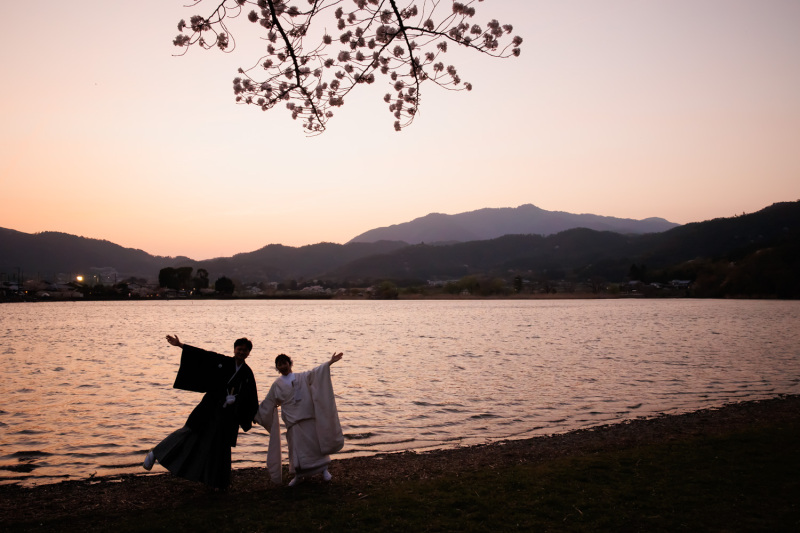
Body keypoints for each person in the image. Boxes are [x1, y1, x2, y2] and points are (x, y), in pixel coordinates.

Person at [142, 334, 258, 490]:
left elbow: (250, 396)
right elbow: (203, 355)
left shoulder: (247, 373)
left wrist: (250, 411)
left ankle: (218, 483)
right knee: (188, 432)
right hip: (209, 408)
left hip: (227, 416)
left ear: (249, 353)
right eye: (240, 349)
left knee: (220, 447)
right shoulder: (222, 361)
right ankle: (156, 452)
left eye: (245, 350)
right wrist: (181, 345)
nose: (242, 352)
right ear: (234, 349)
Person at [255, 351, 344, 486]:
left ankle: (324, 470)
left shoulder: (302, 377)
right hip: (292, 422)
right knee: (296, 449)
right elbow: (269, 402)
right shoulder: (276, 384)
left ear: (290, 364)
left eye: (284, 363)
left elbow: (317, 373)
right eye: (279, 365)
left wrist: (330, 362)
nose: (283, 366)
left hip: (307, 416)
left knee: (315, 446)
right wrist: (258, 414)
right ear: (277, 368)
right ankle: (298, 475)